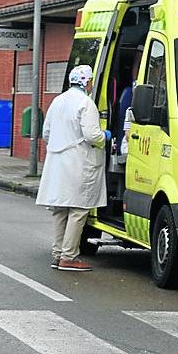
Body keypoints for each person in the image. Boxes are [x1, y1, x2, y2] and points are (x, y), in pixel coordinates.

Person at [35, 65, 108, 272]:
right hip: (79, 162)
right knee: (78, 209)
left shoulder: (58, 101)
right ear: (86, 82)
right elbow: (92, 135)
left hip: (58, 162)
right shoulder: (86, 103)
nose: (92, 83)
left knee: (60, 210)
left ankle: (57, 254)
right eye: (91, 80)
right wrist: (106, 137)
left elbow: (46, 133)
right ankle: (69, 256)